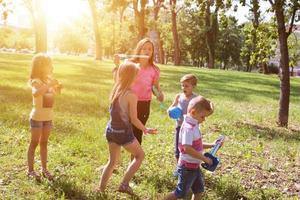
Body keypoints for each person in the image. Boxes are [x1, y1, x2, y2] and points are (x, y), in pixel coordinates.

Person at [97, 62, 157, 195]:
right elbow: (134, 119)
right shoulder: (131, 95)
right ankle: (124, 184)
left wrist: (118, 64)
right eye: (136, 74)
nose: (138, 77)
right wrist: (145, 129)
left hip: (111, 131)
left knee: (112, 162)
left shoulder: (115, 90)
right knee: (140, 155)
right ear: (132, 77)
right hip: (123, 133)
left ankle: (100, 189)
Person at [164, 96, 223, 200]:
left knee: (199, 191)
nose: (204, 120)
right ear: (193, 112)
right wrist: (204, 159)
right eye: (203, 116)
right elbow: (187, 148)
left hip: (195, 166)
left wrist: (212, 145)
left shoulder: (194, 125)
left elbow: (197, 145)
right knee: (180, 193)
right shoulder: (188, 128)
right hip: (187, 167)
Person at [113, 38, 164, 148]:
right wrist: (117, 65)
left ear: (152, 52)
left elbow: (155, 87)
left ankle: (135, 158)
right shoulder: (130, 65)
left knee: (137, 133)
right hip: (127, 102)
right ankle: (114, 157)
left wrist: (159, 94)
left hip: (144, 104)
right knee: (122, 131)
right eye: (144, 48)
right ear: (139, 50)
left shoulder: (154, 69)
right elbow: (119, 80)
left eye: (150, 49)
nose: (147, 51)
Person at [27, 53, 62, 181]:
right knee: (34, 142)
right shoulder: (36, 81)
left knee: (44, 143)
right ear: (41, 67)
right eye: (49, 65)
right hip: (37, 117)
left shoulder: (47, 80)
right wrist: (48, 85)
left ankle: (44, 168)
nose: (51, 67)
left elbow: (53, 93)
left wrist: (57, 87)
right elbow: (36, 93)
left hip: (48, 117)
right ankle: (30, 170)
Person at [168, 74, 198, 164]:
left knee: (191, 147)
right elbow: (172, 106)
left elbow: (201, 110)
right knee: (178, 147)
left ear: (194, 86)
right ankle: (179, 167)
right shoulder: (179, 96)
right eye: (182, 85)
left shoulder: (196, 98)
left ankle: (192, 164)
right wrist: (169, 110)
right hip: (180, 126)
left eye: (186, 86)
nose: (183, 88)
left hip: (192, 128)